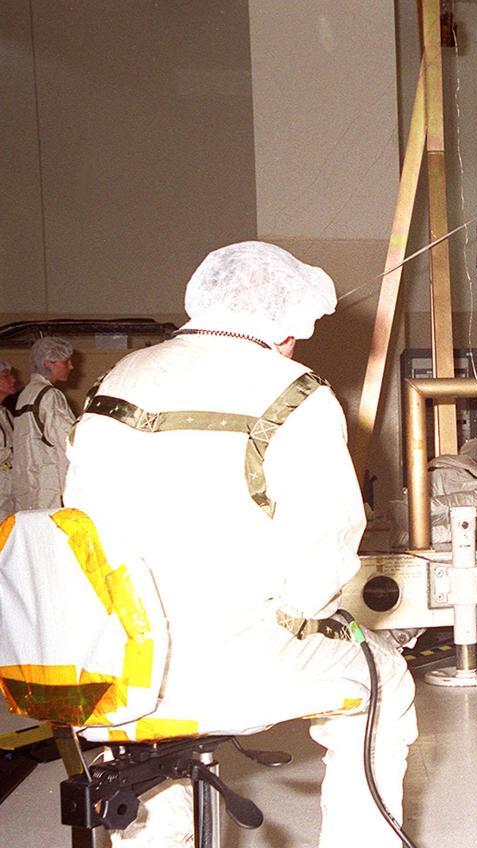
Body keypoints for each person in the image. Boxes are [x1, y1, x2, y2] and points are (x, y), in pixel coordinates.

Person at [62, 242, 419, 846]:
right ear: (288, 326)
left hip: (114, 661)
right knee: (385, 681)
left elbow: (79, 523)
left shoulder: (120, 378)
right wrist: (302, 621)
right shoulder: (295, 392)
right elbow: (327, 551)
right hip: (234, 659)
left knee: (157, 742)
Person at [12, 336, 75, 510]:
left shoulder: (26, 394)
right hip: (50, 486)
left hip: (27, 484)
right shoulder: (50, 395)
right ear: (48, 363)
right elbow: (68, 441)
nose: (71, 366)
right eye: (66, 361)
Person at [0, 360, 18, 518]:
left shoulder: (6, 414)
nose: (13, 380)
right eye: (6, 376)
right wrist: (13, 451)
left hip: (10, 488)